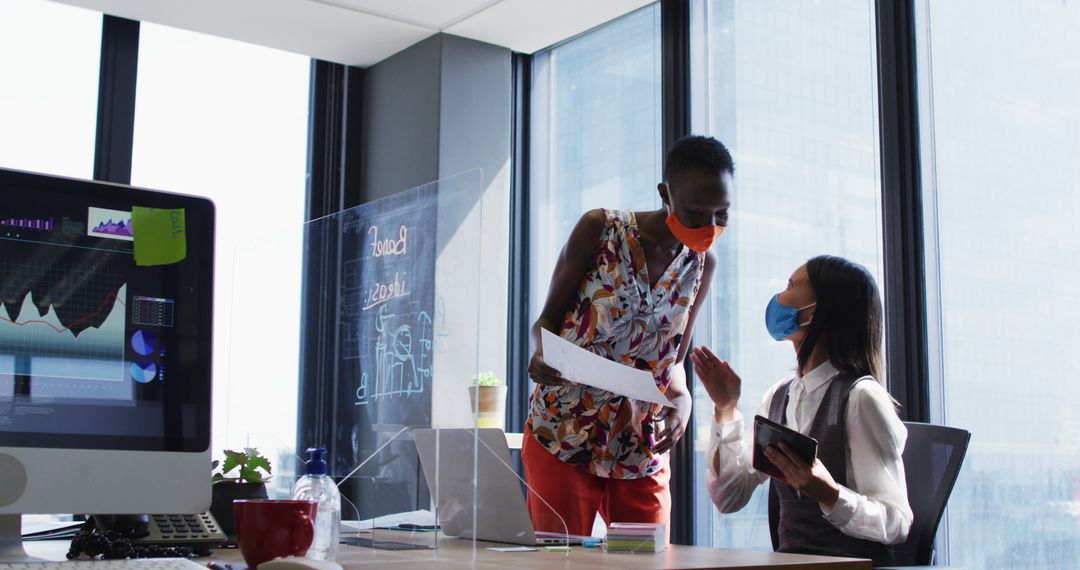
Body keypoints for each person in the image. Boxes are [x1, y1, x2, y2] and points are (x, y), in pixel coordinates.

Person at [523, 136, 734, 538]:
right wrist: (541, 352)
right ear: (665, 194)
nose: (709, 227)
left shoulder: (703, 265)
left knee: (644, 563)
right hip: (565, 431)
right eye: (695, 212)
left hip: (640, 445)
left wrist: (684, 402)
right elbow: (545, 321)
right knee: (558, 563)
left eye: (722, 214)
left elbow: (671, 362)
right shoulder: (601, 229)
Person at [693, 255, 911, 566]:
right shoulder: (779, 396)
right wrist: (725, 409)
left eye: (791, 285)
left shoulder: (862, 398)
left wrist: (829, 494)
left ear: (818, 310)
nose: (779, 297)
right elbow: (729, 498)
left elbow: (897, 521)